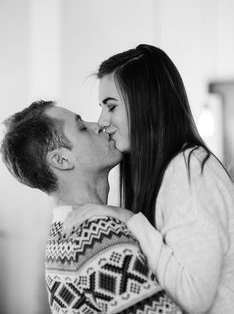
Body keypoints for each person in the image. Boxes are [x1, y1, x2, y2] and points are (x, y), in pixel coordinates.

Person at [63, 45, 234, 314]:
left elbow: (192, 296)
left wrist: (126, 218)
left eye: (111, 106)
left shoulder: (188, 170)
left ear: (146, 103)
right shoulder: (166, 170)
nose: (102, 121)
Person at [0, 100, 182, 314]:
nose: (98, 125)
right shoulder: (98, 236)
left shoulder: (61, 233)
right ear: (61, 159)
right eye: (82, 128)